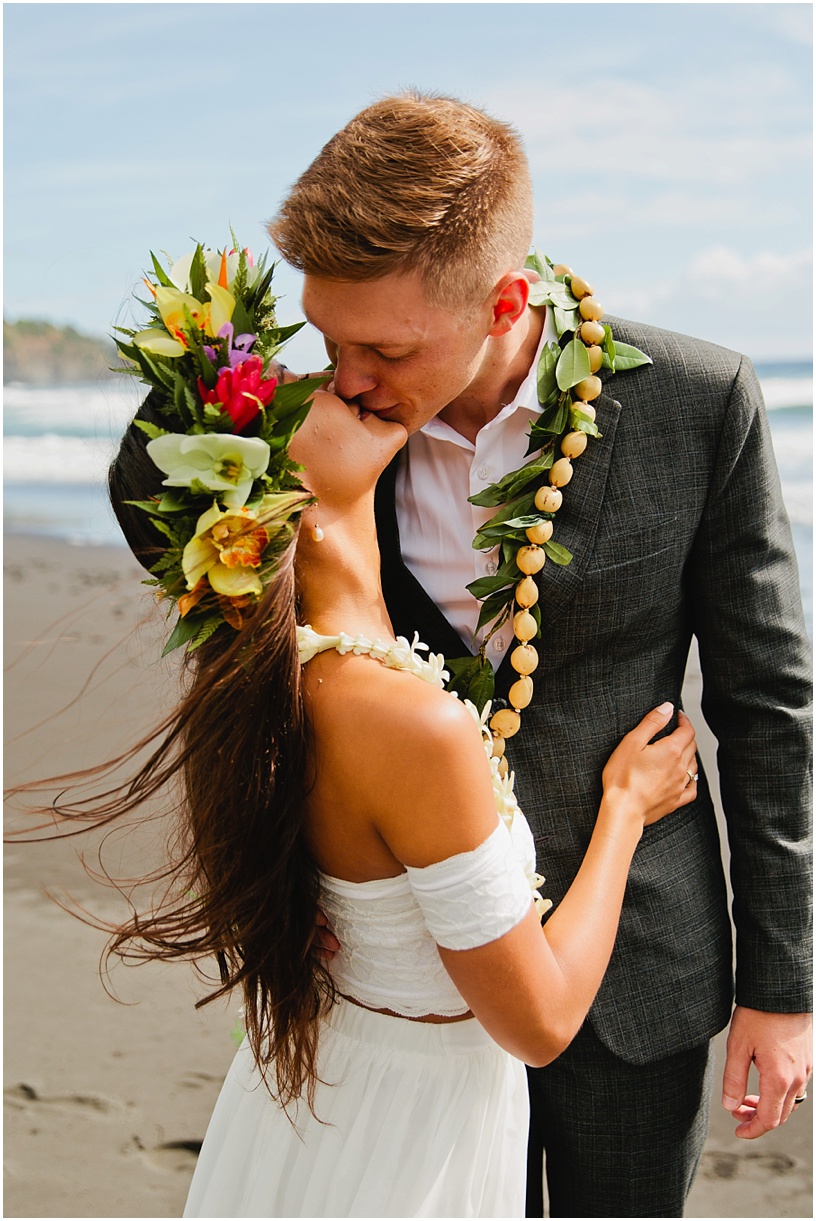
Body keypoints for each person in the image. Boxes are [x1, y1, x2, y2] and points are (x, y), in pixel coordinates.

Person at [268, 91, 813, 1217]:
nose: (351, 375)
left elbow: (769, 703)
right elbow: (161, 510)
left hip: (636, 978)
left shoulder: (700, 401)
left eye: (386, 346)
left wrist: (786, 987)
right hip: (408, 982)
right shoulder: (307, 427)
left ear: (505, 299)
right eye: (330, 338)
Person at [95, 245, 700, 1219]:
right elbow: (540, 1022)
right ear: (266, 494)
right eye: (297, 396)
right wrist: (625, 811)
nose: (346, 379)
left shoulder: (297, 676)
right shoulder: (400, 716)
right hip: (403, 1136)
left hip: (338, 1091)